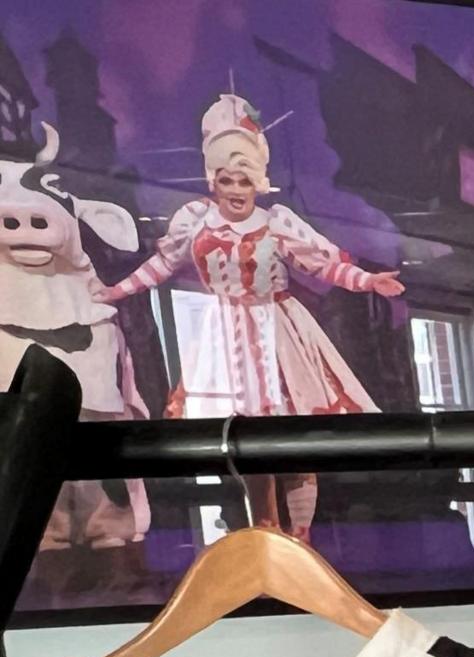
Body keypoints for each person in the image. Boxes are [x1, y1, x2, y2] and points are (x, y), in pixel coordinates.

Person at [94, 94, 404, 541]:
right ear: (213, 181)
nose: (236, 189)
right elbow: (160, 266)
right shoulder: (195, 222)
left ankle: (301, 538)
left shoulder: (277, 221)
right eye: (227, 180)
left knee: (294, 443)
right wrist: (114, 291)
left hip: (279, 331)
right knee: (247, 441)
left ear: (257, 181)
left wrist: (367, 281)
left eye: (244, 180)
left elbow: (320, 264)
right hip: (224, 336)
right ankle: (265, 532)